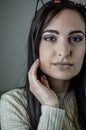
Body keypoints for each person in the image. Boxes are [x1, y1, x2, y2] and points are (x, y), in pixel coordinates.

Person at [0, 0, 86, 130]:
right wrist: (50, 107)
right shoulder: (14, 103)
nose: (63, 52)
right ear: (36, 45)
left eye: (76, 39)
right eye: (50, 38)